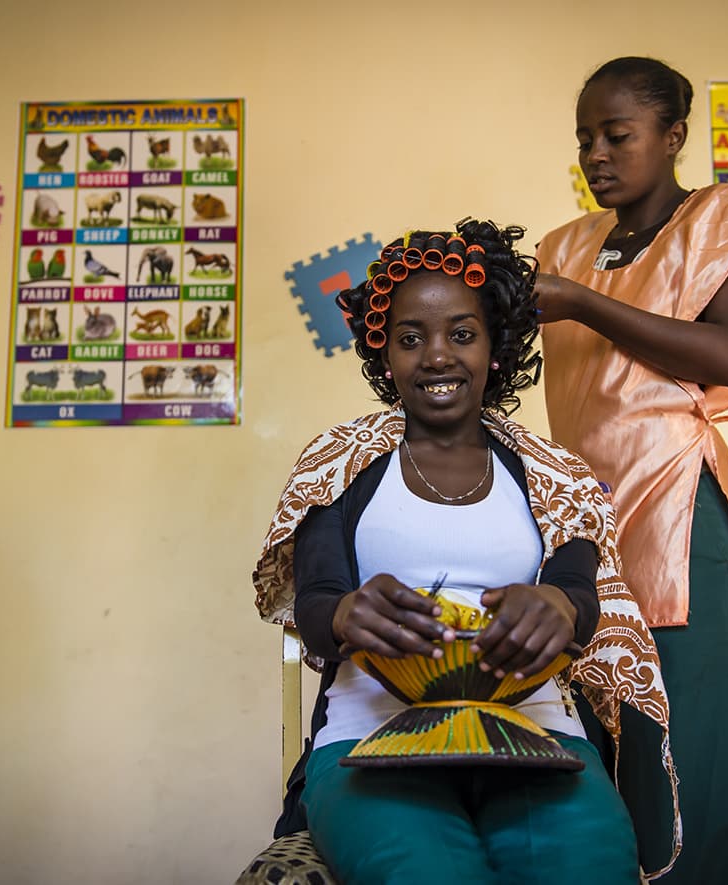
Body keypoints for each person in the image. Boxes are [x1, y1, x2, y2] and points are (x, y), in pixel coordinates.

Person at [253, 219, 676, 883]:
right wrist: (345, 617)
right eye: (410, 338)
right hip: (370, 738)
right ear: (383, 354)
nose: (437, 355)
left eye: (462, 333)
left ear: (495, 347)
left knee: (589, 866)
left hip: (538, 738)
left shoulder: (555, 474)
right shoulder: (336, 464)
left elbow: (583, 596)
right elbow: (315, 603)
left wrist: (560, 607)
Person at [533, 57, 728, 885]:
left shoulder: (721, 221)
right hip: (583, 531)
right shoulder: (565, 245)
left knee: (688, 770)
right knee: (598, 770)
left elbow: (726, 352)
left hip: (683, 524)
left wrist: (582, 302)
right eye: (585, 139)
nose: (597, 154)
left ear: (673, 135)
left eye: (618, 134)